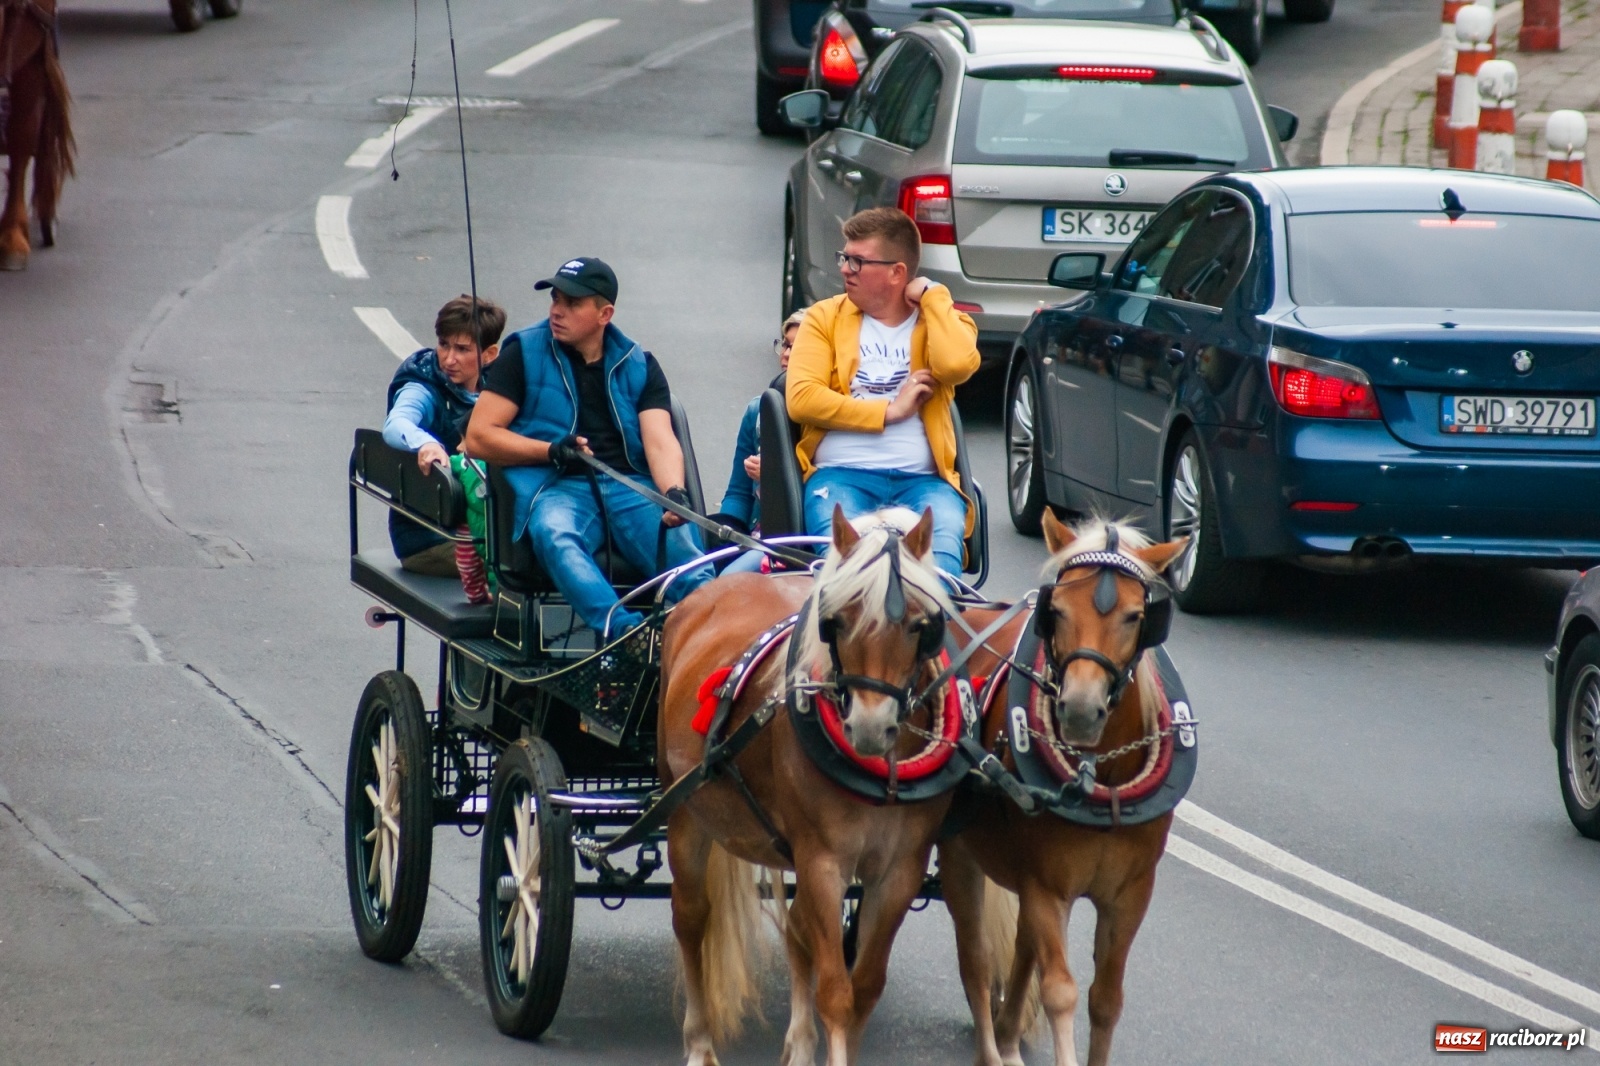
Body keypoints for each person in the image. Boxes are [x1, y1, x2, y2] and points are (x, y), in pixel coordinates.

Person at [464, 257, 713, 637]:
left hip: (629, 485)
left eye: (572, 303)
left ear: (604, 314)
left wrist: (672, 494)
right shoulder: (523, 353)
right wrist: (549, 450)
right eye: (555, 299)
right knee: (555, 533)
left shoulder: (638, 363)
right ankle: (626, 635)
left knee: (693, 567)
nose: (557, 311)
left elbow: (661, 440)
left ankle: (702, 644)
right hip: (559, 486)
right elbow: (479, 436)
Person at [786, 207, 980, 578]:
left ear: (897, 273)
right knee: (844, 579)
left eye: (858, 261)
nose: (845, 269)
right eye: (845, 258)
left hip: (923, 482)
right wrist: (889, 412)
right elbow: (802, 399)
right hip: (841, 475)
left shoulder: (941, 321)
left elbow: (955, 365)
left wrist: (934, 296)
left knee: (939, 579)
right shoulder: (823, 318)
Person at [382, 295, 507, 577]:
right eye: (444, 345)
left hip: (484, 527)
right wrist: (425, 442)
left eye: (462, 349)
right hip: (432, 539)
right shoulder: (424, 384)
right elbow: (397, 423)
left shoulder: (499, 386)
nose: (449, 359)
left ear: (489, 355)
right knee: (522, 566)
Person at [712, 308, 805, 573]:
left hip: (797, 542)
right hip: (754, 535)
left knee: (730, 582)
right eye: (785, 345)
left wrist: (775, 478)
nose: (786, 354)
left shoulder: (828, 416)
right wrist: (725, 532)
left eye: (798, 347)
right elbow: (738, 493)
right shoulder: (757, 412)